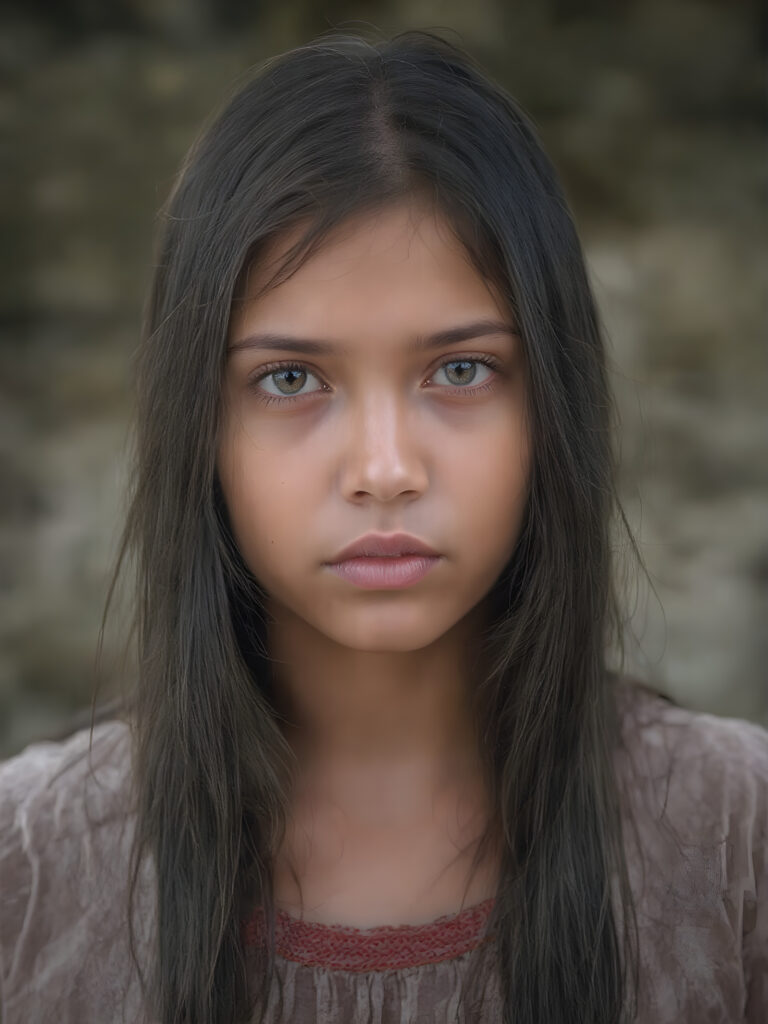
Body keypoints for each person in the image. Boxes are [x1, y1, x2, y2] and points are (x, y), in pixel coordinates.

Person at [0, 29, 765, 1024]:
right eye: (290, 380)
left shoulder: (735, 845)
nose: (386, 470)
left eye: (460, 370)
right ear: (200, 425)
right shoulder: (28, 874)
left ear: (552, 403)